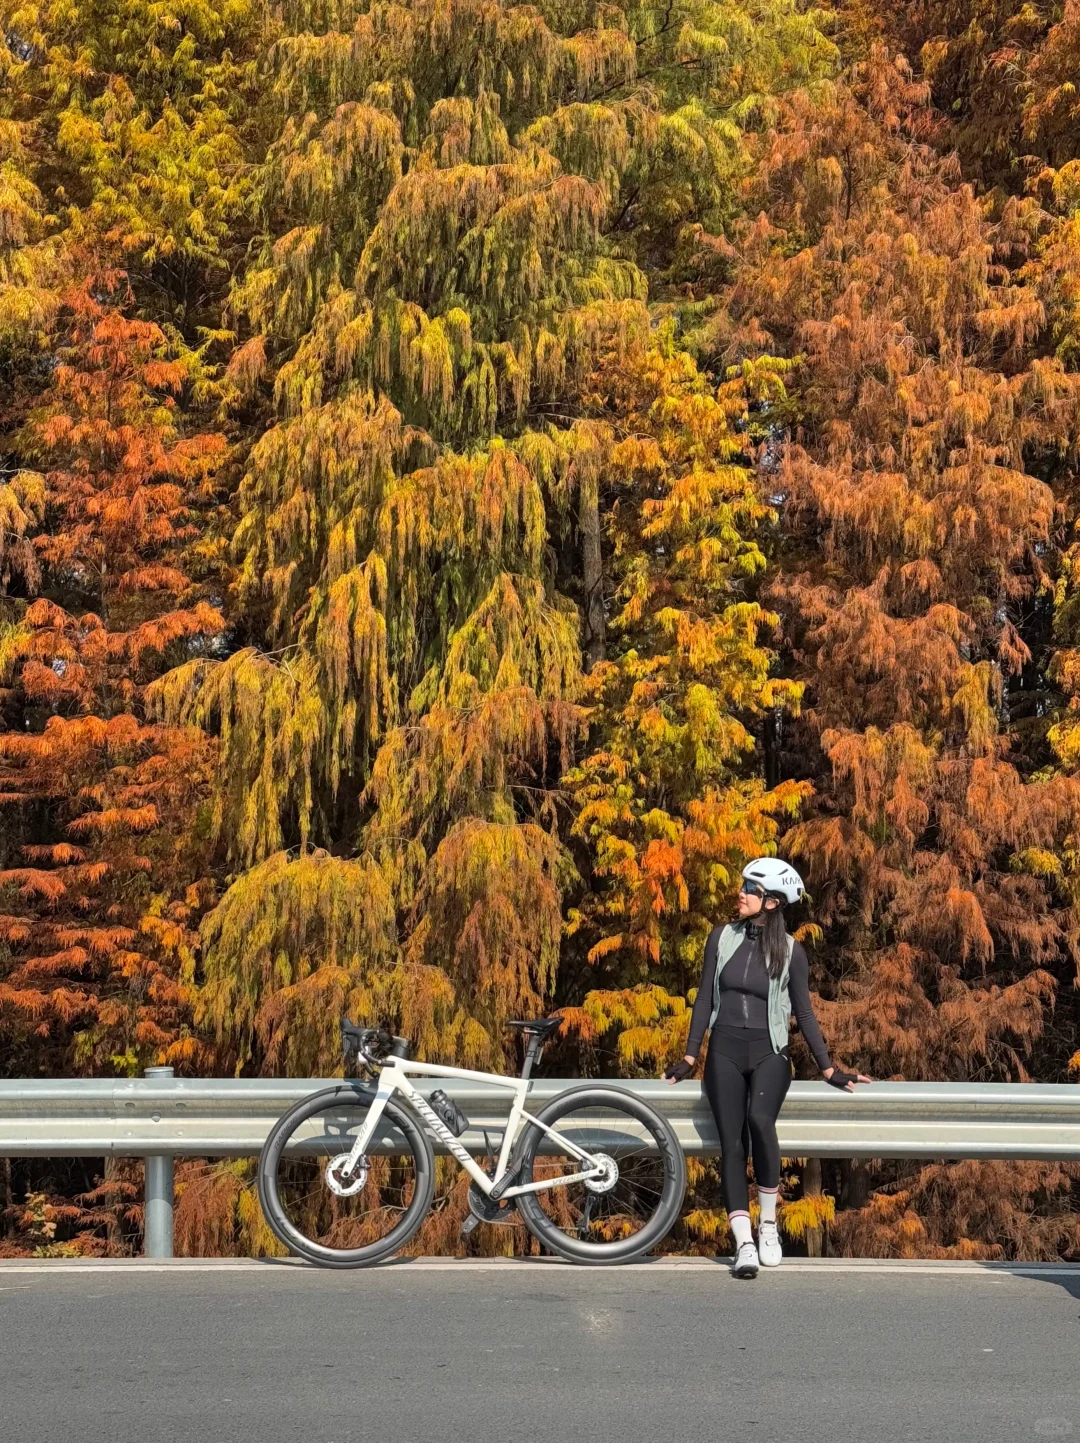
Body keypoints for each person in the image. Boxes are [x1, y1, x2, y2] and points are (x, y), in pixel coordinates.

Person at [664, 857, 871, 1278]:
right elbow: (704, 997)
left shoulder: (791, 952)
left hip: (769, 1053)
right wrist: (690, 1055)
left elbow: (805, 1014)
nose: (740, 893)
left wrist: (828, 1069)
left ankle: (769, 1225)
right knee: (732, 1145)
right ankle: (743, 1243)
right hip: (723, 1050)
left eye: (750, 889)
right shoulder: (721, 937)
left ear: (772, 902)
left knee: (760, 1122)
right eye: (743, 886)